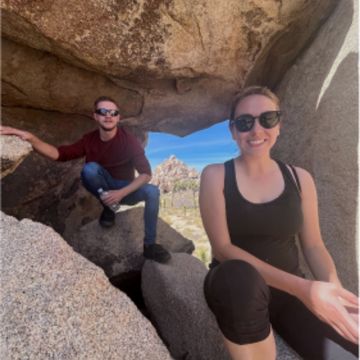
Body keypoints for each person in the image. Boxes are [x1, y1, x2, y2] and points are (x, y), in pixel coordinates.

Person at [199, 86, 358, 359]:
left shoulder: (300, 179)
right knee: (237, 276)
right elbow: (223, 249)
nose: (257, 130)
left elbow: (314, 246)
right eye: (245, 122)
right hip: (239, 291)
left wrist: (338, 296)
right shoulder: (215, 176)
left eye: (268, 119)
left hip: (290, 295)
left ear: (279, 125)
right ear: (233, 130)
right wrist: (305, 289)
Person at [0, 96, 171, 263]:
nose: (108, 116)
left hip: (125, 190)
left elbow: (146, 174)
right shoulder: (89, 140)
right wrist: (30, 138)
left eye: (113, 112)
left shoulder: (128, 141)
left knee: (152, 191)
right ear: (95, 116)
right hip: (106, 189)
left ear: (118, 117)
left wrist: (121, 193)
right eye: (103, 111)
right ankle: (109, 207)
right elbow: (59, 154)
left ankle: (150, 246)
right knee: (90, 170)